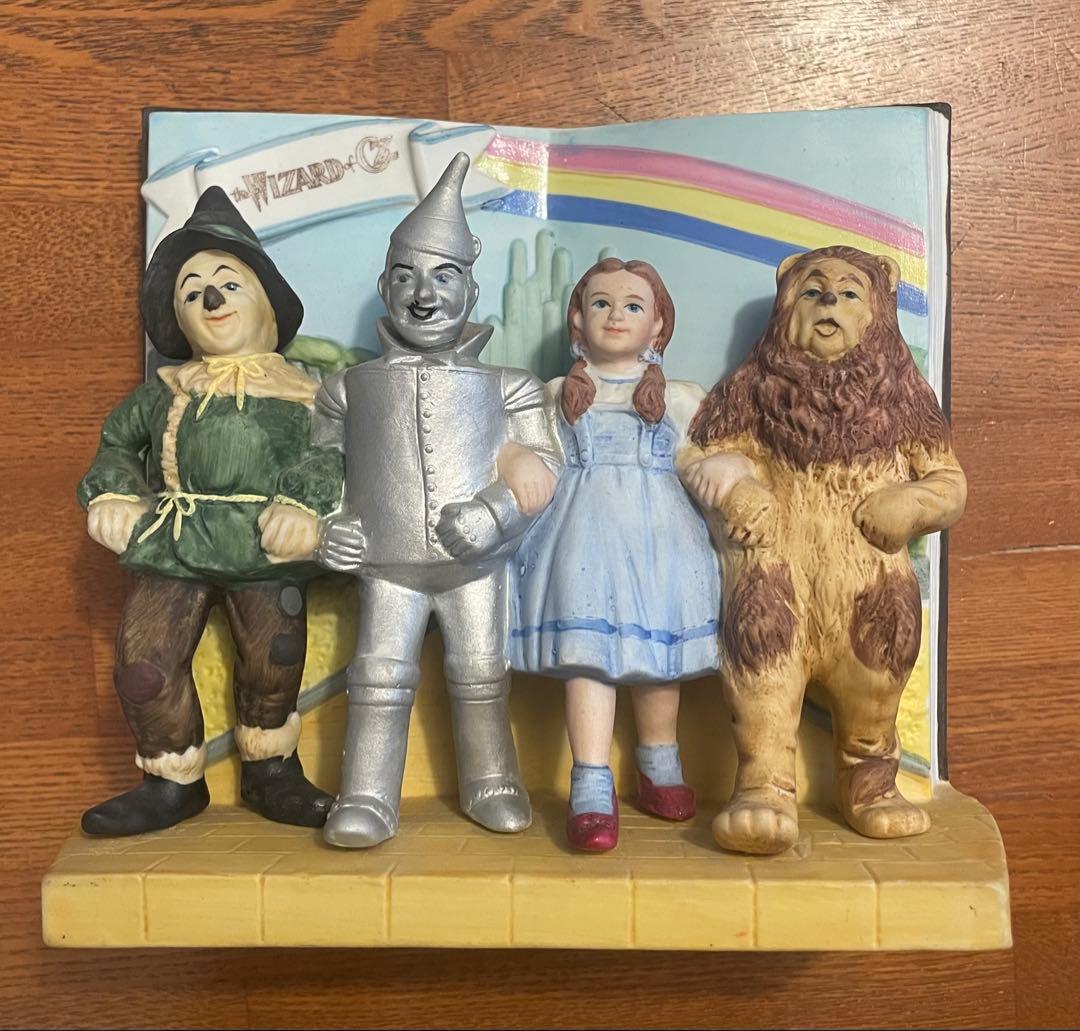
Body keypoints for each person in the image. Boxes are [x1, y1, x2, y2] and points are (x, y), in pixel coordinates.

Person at [312, 153, 562, 849]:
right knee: (378, 678)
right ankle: (366, 794)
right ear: (384, 287)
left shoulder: (511, 386)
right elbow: (319, 468)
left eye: (444, 276)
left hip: (476, 565)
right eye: (406, 277)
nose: (424, 295)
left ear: (471, 290)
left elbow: (545, 464)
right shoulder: (346, 388)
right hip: (387, 565)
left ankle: (492, 781)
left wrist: (492, 514)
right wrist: (329, 526)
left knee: (482, 674)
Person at [78, 186, 343, 835]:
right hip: (173, 540)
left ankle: (271, 769)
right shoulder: (166, 390)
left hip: (264, 544)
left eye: (228, 284)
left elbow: (333, 454)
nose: (212, 300)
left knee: (275, 654)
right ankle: (171, 779)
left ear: (267, 302)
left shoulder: (303, 390)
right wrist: (112, 493)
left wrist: (304, 504)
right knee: (145, 662)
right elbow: (116, 443)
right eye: (192, 292)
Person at [510, 257, 747, 852]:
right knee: (588, 658)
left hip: (662, 540)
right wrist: (515, 461)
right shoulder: (556, 395)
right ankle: (591, 782)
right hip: (581, 537)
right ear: (577, 320)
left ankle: (658, 760)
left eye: (633, 305)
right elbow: (522, 448)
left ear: (658, 325)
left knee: (657, 654)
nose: (616, 315)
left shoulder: (683, 397)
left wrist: (728, 464)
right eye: (601, 303)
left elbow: (716, 452)